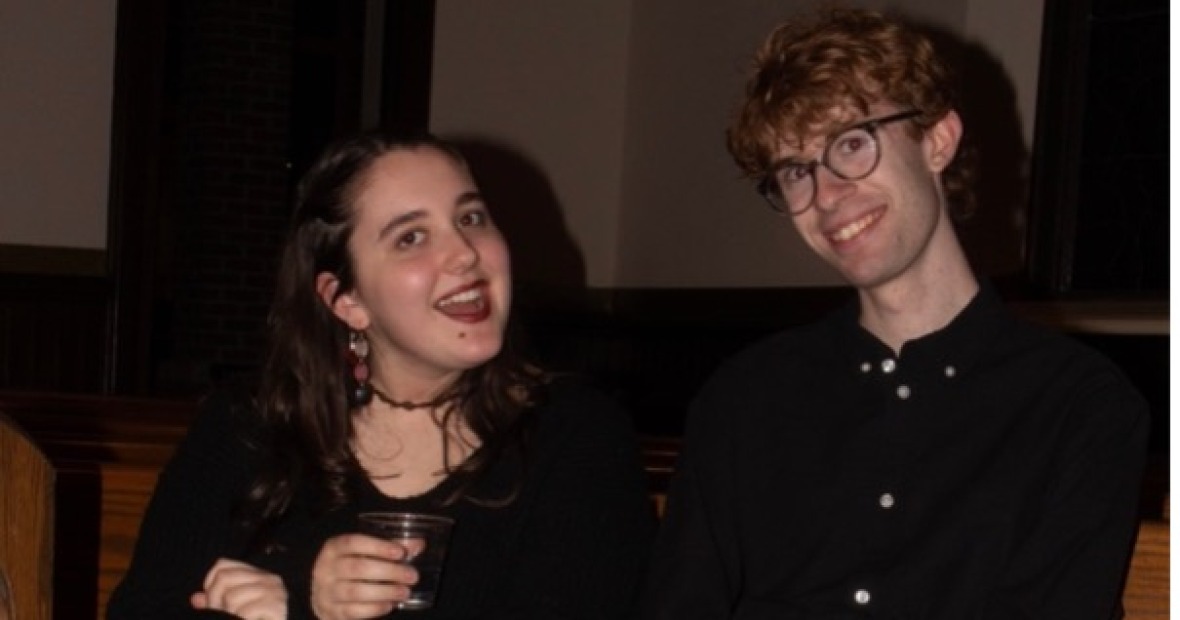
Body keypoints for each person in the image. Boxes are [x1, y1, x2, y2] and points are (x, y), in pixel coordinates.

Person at [639, 8, 1149, 619]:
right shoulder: (742, 401)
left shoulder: (1079, 406)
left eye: (852, 143)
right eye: (797, 171)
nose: (827, 196)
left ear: (937, 140)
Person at [108, 131, 656, 619]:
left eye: (470, 217)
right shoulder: (250, 426)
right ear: (346, 301)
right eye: (410, 238)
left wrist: (294, 609)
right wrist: (304, 592)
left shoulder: (578, 435)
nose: (465, 254)